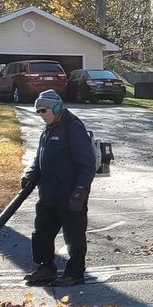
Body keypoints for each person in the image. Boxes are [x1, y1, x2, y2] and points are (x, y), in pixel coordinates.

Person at [20, 89, 96, 286]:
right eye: (38, 112)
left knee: (74, 235)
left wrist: (80, 189)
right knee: (41, 233)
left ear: (56, 107)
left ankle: (75, 273)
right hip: (48, 194)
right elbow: (39, 158)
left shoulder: (73, 127)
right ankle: (46, 268)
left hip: (71, 194)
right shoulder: (48, 129)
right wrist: (29, 173)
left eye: (43, 110)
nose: (41, 115)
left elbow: (87, 163)